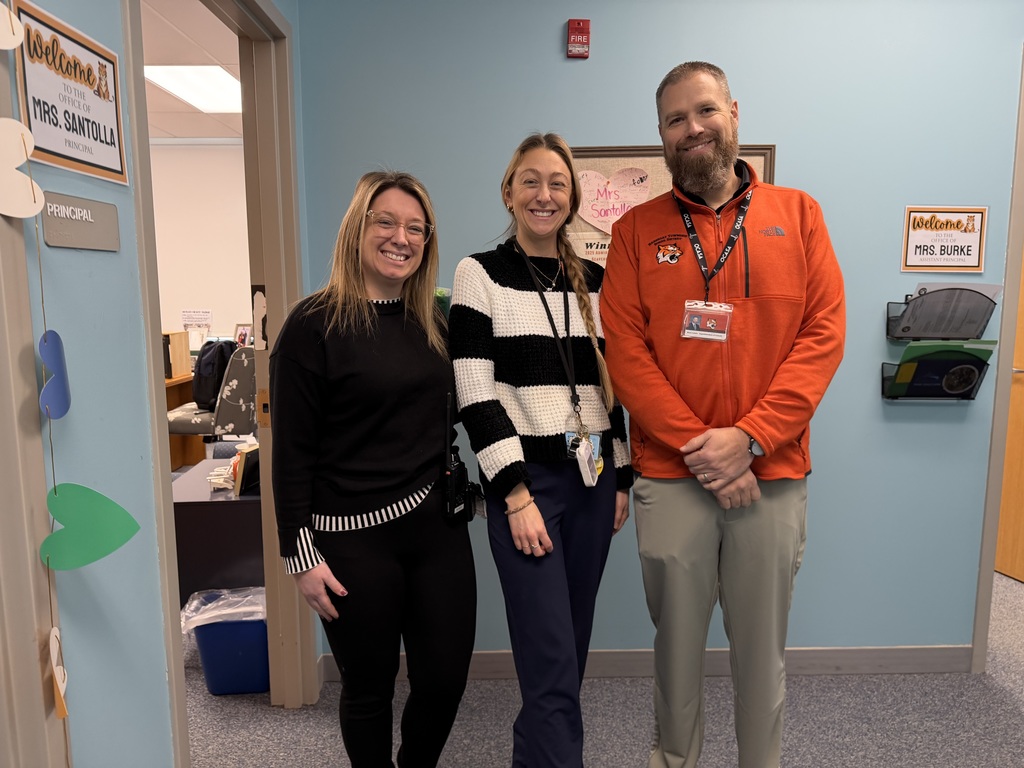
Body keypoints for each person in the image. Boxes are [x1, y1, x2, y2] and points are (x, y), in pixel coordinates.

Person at [601, 62, 846, 768]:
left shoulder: (799, 216)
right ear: (661, 136)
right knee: (675, 654)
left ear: (734, 113)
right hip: (673, 479)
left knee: (759, 657)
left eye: (704, 111)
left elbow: (822, 337)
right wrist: (705, 451)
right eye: (675, 120)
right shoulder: (634, 234)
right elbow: (628, 356)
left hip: (771, 477)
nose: (692, 129)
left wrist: (750, 439)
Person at [269, 170, 477, 768]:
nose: (400, 237)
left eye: (415, 227)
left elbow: (473, 402)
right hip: (349, 541)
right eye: (385, 221)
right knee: (368, 690)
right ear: (357, 228)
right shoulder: (313, 326)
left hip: (436, 531)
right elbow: (292, 456)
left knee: (442, 682)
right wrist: (299, 557)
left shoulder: (436, 321)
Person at [448, 133, 632, 768]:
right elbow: (474, 390)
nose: (544, 194)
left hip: (594, 481)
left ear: (573, 197)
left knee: (568, 651)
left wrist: (624, 479)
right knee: (550, 655)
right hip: (528, 489)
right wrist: (515, 493)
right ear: (509, 191)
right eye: (530, 180)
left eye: (557, 183)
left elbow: (616, 387)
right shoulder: (479, 274)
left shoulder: (600, 282)